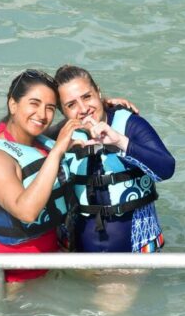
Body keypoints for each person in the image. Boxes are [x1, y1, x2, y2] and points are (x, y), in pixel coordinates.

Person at [0, 69, 82, 294]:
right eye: (34, 103)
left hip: (47, 260)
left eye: (50, 108)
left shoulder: (36, 141)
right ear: (13, 104)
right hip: (8, 277)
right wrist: (58, 151)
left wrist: (105, 104)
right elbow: (27, 212)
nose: (42, 114)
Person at [53, 65, 175, 253]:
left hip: (134, 250)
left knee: (117, 284)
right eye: (71, 105)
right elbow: (9, 145)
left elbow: (166, 169)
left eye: (87, 97)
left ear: (98, 92)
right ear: (62, 111)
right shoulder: (61, 135)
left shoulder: (130, 125)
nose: (84, 108)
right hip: (74, 253)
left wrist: (120, 141)